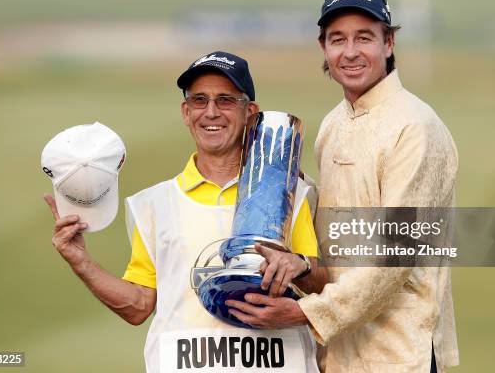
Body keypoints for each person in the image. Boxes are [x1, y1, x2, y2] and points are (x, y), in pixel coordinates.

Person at [226, 0, 460, 373]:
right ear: (324, 48)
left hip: (401, 355)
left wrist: (303, 312)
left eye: (364, 37)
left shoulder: (415, 127)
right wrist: (288, 193)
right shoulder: (334, 124)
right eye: (337, 39)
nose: (350, 52)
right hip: (340, 355)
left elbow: (392, 262)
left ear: (388, 43)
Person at [44, 51, 326, 372]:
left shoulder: (292, 193)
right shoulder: (152, 204)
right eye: (199, 100)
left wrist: (301, 266)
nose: (211, 112)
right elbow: (138, 307)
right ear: (185, 111)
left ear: (250, 113)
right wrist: (80, 260)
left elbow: (324, 287)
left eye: (225, 100)